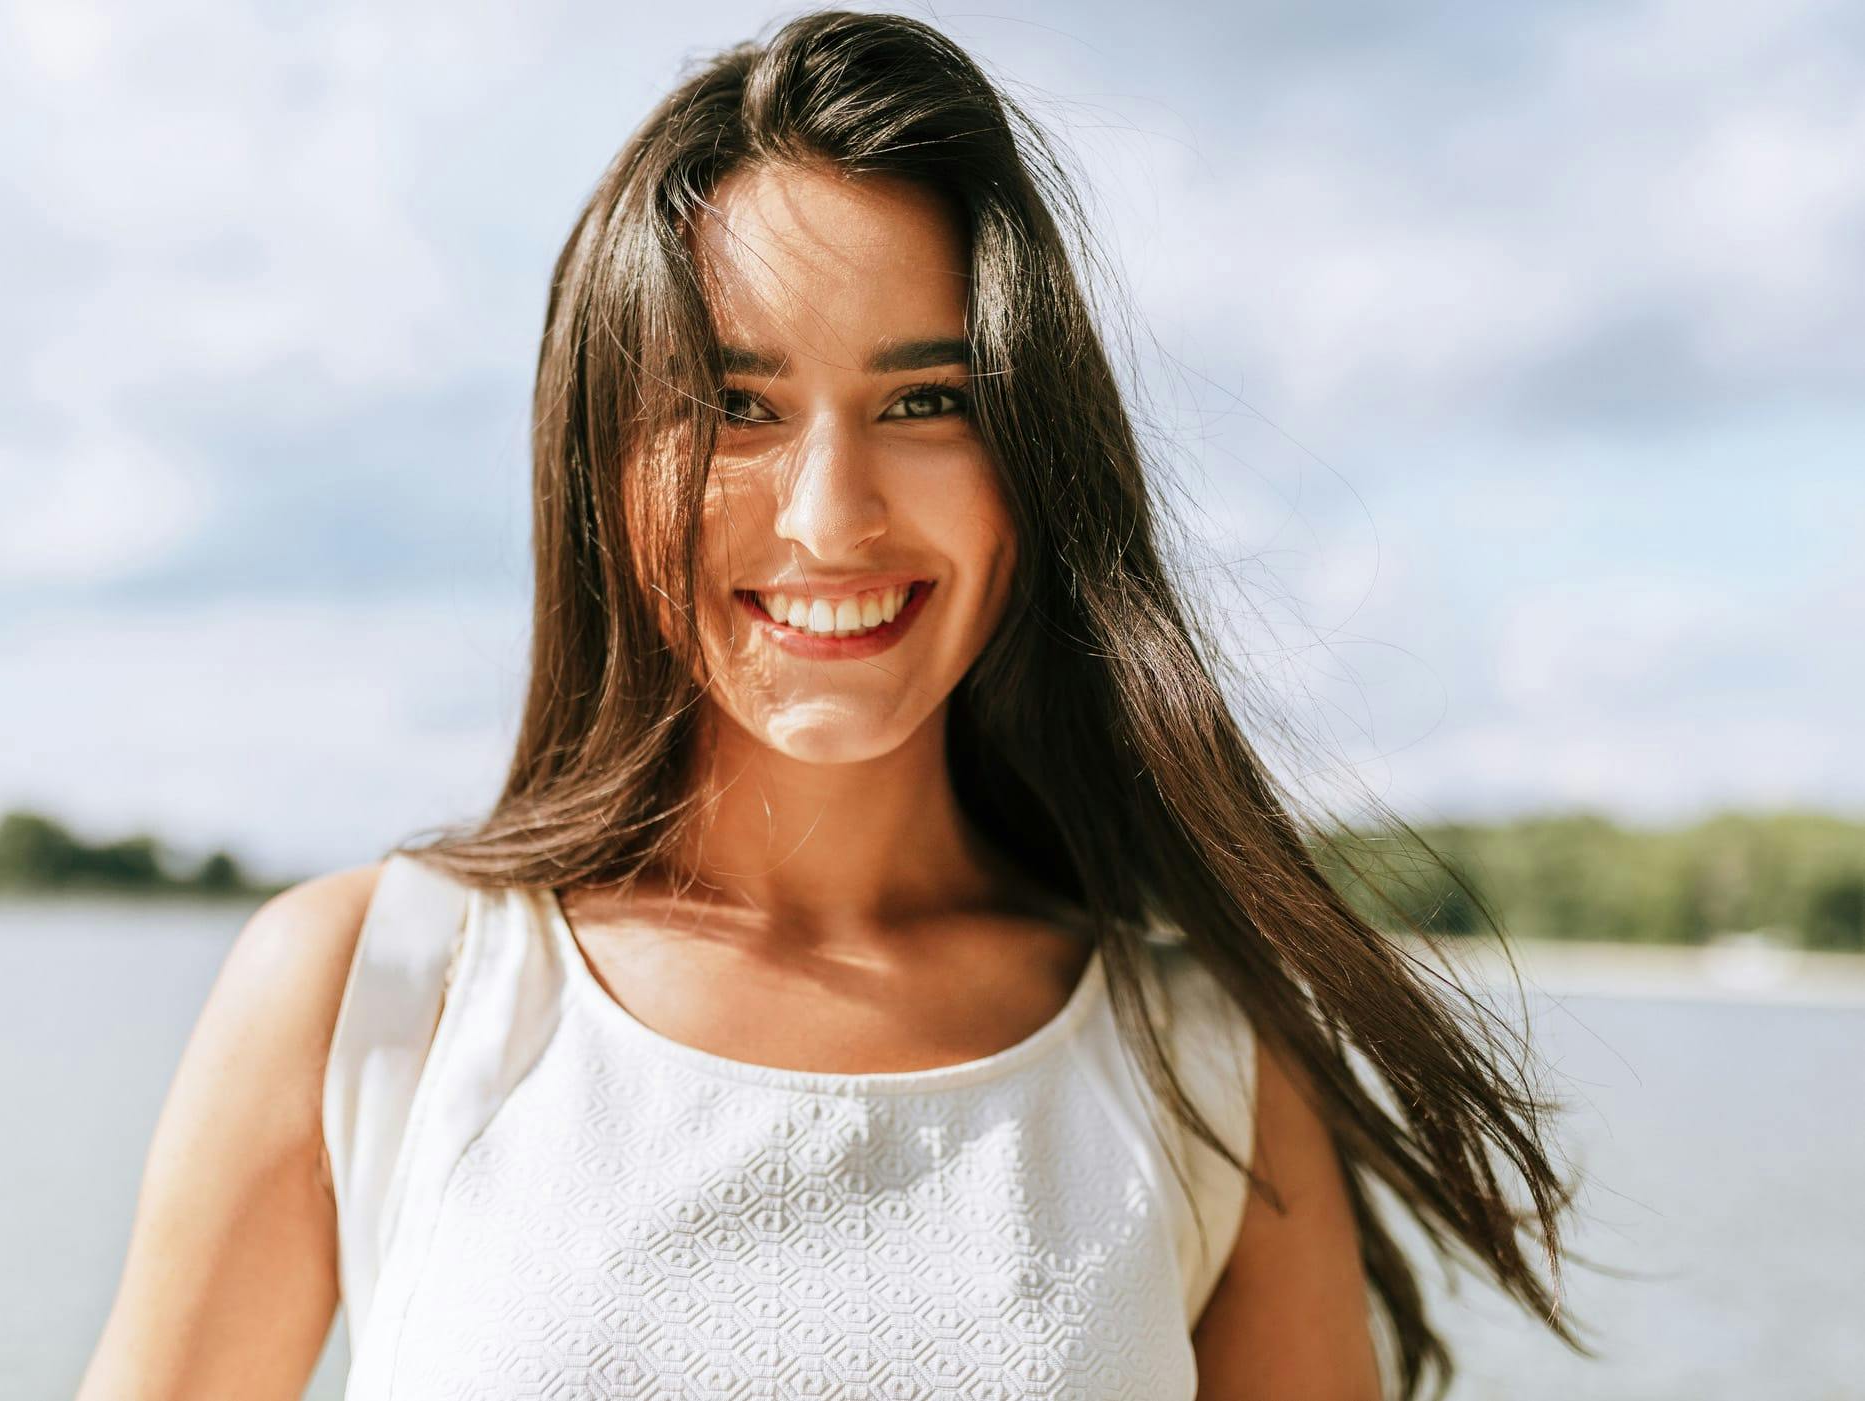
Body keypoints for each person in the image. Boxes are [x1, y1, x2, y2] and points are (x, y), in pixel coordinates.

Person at [78, 11, 1582, 1399]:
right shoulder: (379, 991)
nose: (828, 513)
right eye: (735, 403)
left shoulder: (1202, 1066)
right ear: (598, 459)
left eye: (926, 401)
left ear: (1030, 469)